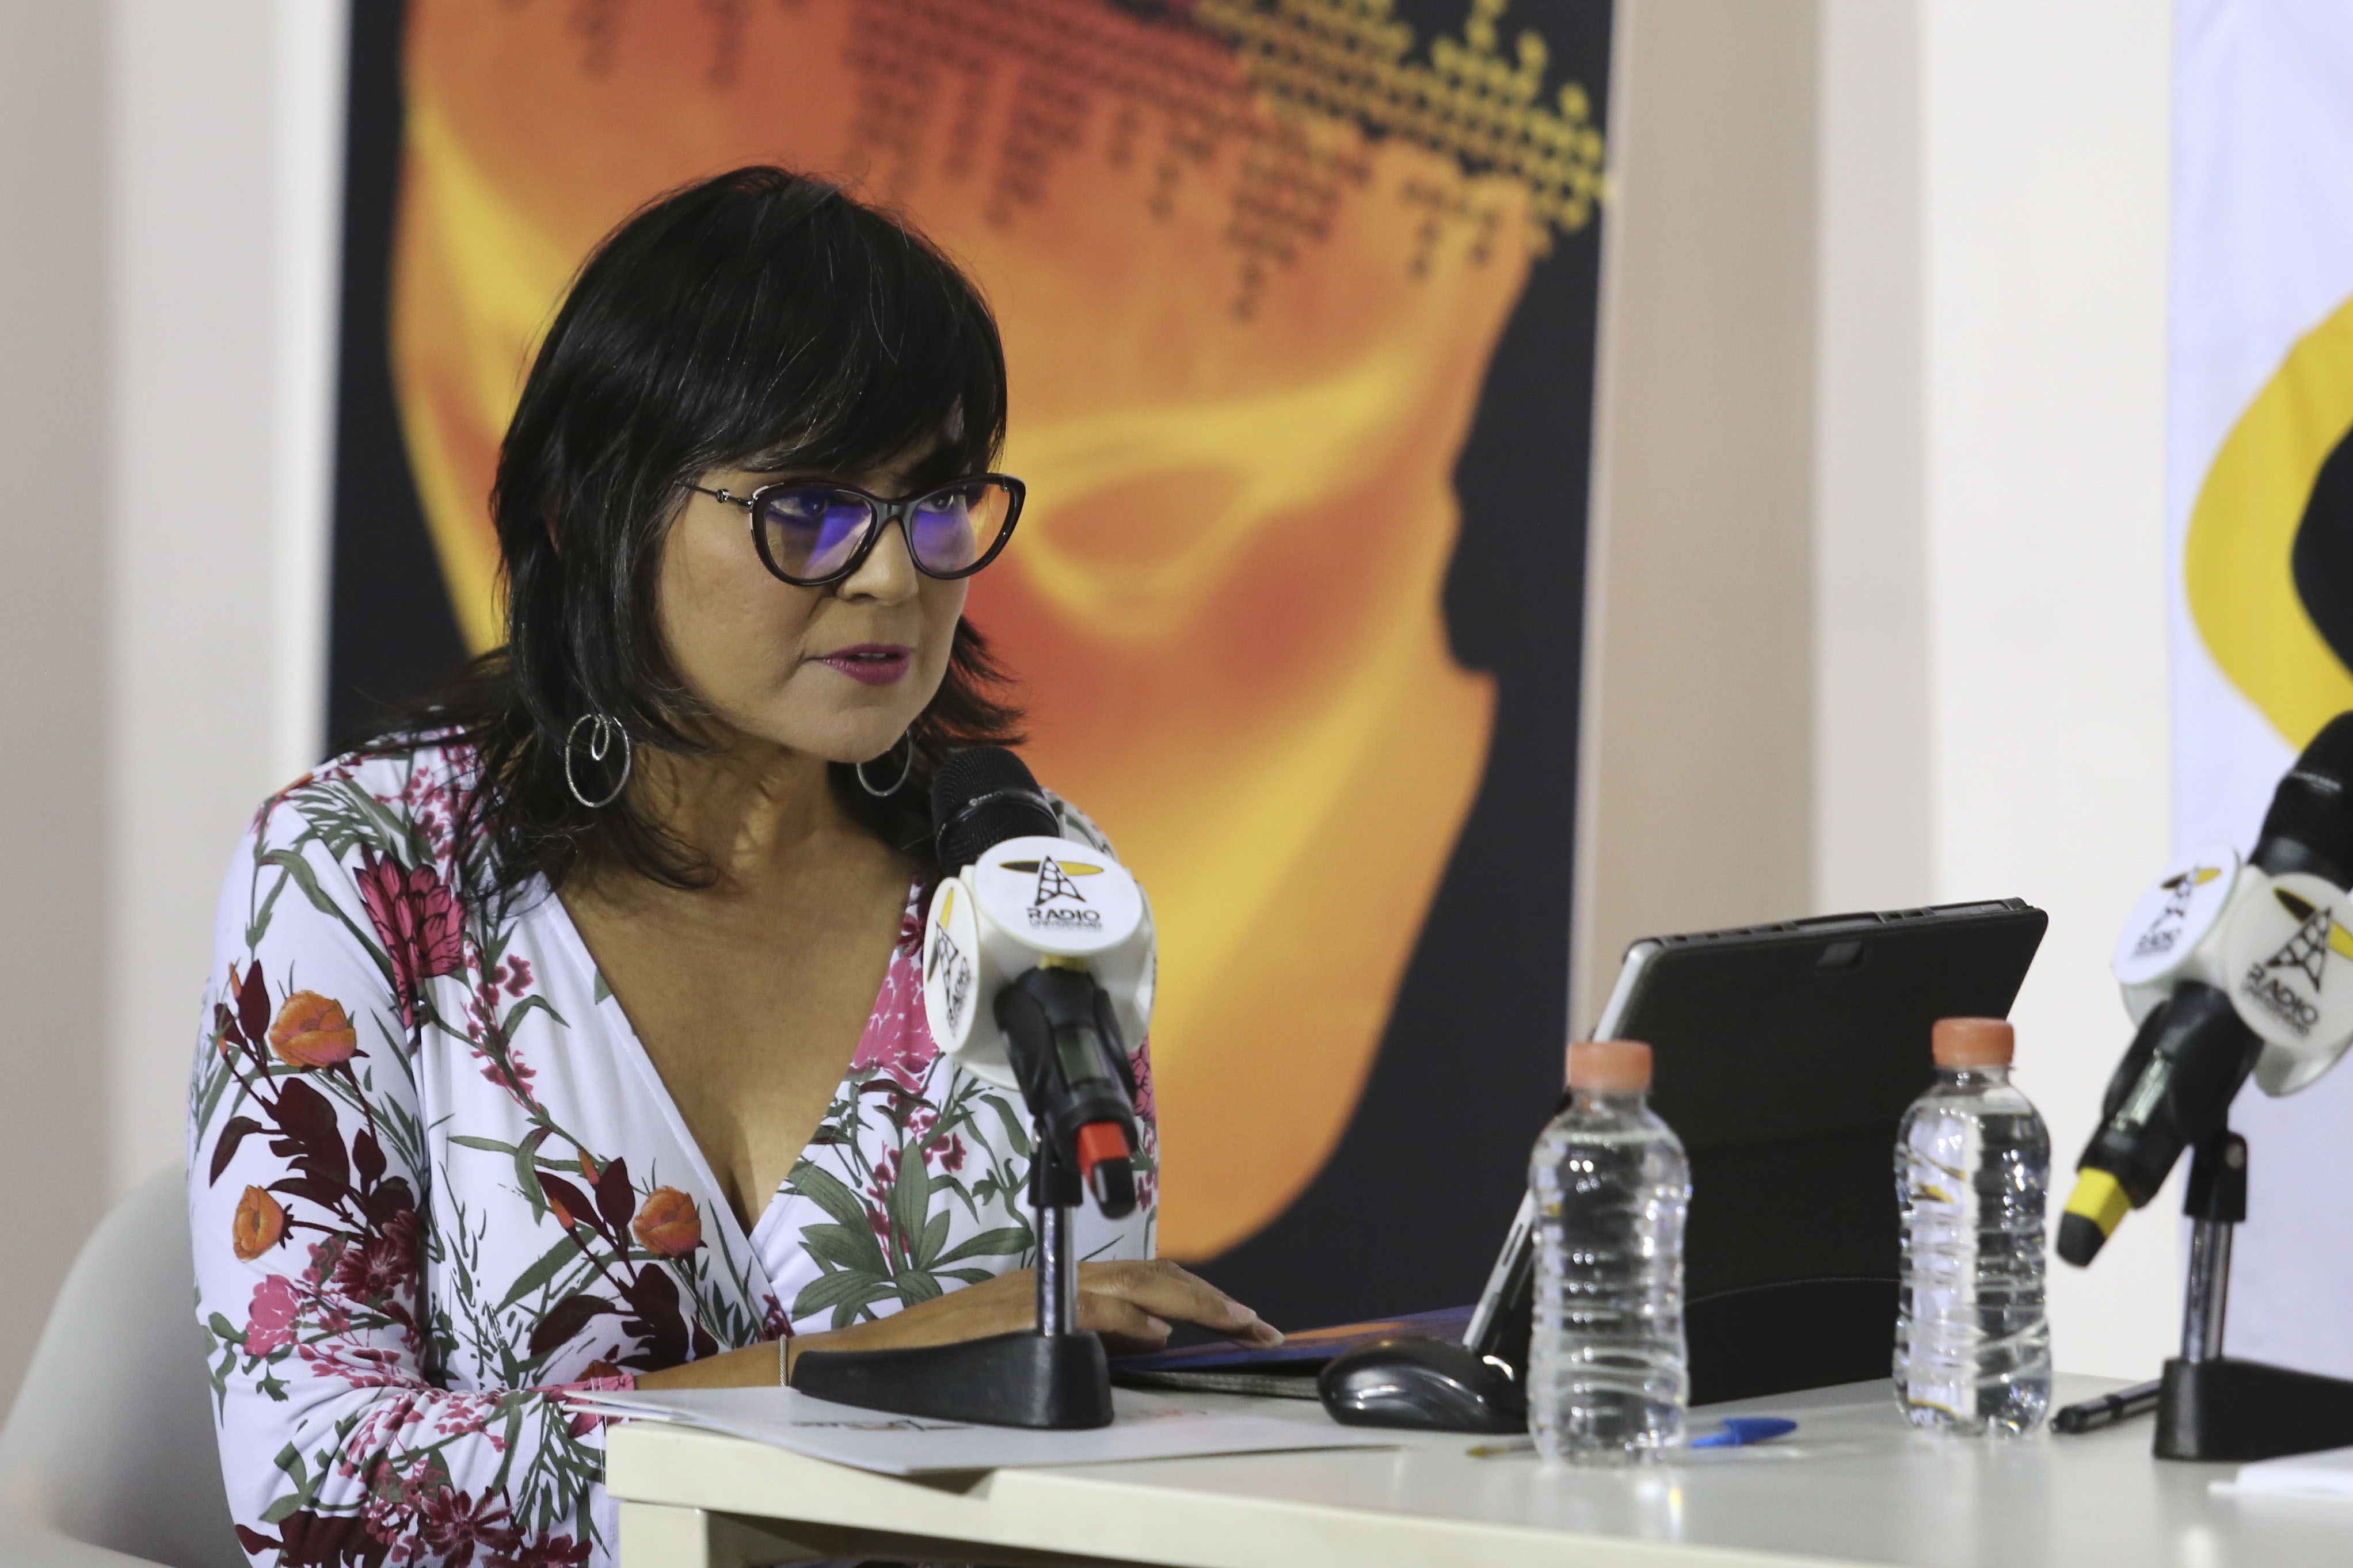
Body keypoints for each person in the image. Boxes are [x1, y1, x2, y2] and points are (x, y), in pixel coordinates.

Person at [186, 167, 1280, 1568]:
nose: (892, 576)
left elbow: (1079, 1435)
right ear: (587, 511)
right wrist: (861, 1372)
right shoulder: (359, 868)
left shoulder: (1032, 877)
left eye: (937, 499)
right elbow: (316, 1488)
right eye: (806, 509)